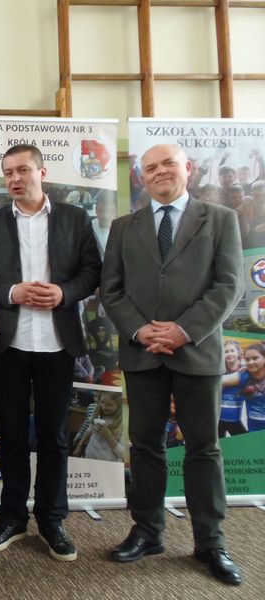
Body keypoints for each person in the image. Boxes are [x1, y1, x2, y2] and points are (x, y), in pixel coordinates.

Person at [100, 143, 245, 586]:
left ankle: (210, 542)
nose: (159, 171)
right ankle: (147, 532)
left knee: (204, 448)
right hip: (143, 353)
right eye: (150, 168)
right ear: (142, 178)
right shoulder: (124, 227)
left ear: (188, 169)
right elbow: (112, 289)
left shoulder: (220, 219)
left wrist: (184, 330)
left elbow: (229, 285)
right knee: (145, 446)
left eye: (168, 164)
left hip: (196, 352)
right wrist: (141, 330)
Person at [0, 144, 101, 562]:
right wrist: (11, 292)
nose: (14, 178)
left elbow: (92, 272)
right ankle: (12, 518)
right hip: (10, 345)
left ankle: (52, 520)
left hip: (58, 345)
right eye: (8, 172)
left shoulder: (75, 218)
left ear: (42, 172)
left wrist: (64, 293)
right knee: (11, 435)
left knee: (55, 436)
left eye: (22, 170)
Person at [223, 342, 265, 433]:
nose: (250, 362)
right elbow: (216, 382)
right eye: (247, 359)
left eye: (255, 358)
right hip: (254, 432)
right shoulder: (244, 375)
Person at [72, 392, 124, 462]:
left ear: (119, 405)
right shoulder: (97, 411)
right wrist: (79, 446)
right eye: (102, 402)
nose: (103, 407)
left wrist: (108, 436)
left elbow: (122, 454)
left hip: (106, 464)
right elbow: (90, 429)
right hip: (88, 457)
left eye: (109, 404)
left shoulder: (122, 423)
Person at [218, 340, 246, 437]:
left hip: (234, 419)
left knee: (244, 442)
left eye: (232, 351)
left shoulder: (244, 370)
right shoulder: (220, 370)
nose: (229, 354)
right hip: (218, 418)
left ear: (238, 353)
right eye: (226, 351)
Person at [91, 194, 117, 258]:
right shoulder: (88, 228)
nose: (105, 215)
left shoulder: (123, 229)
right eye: (101, 210)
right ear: (96, 210)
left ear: (116, 211)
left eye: (110, 211)